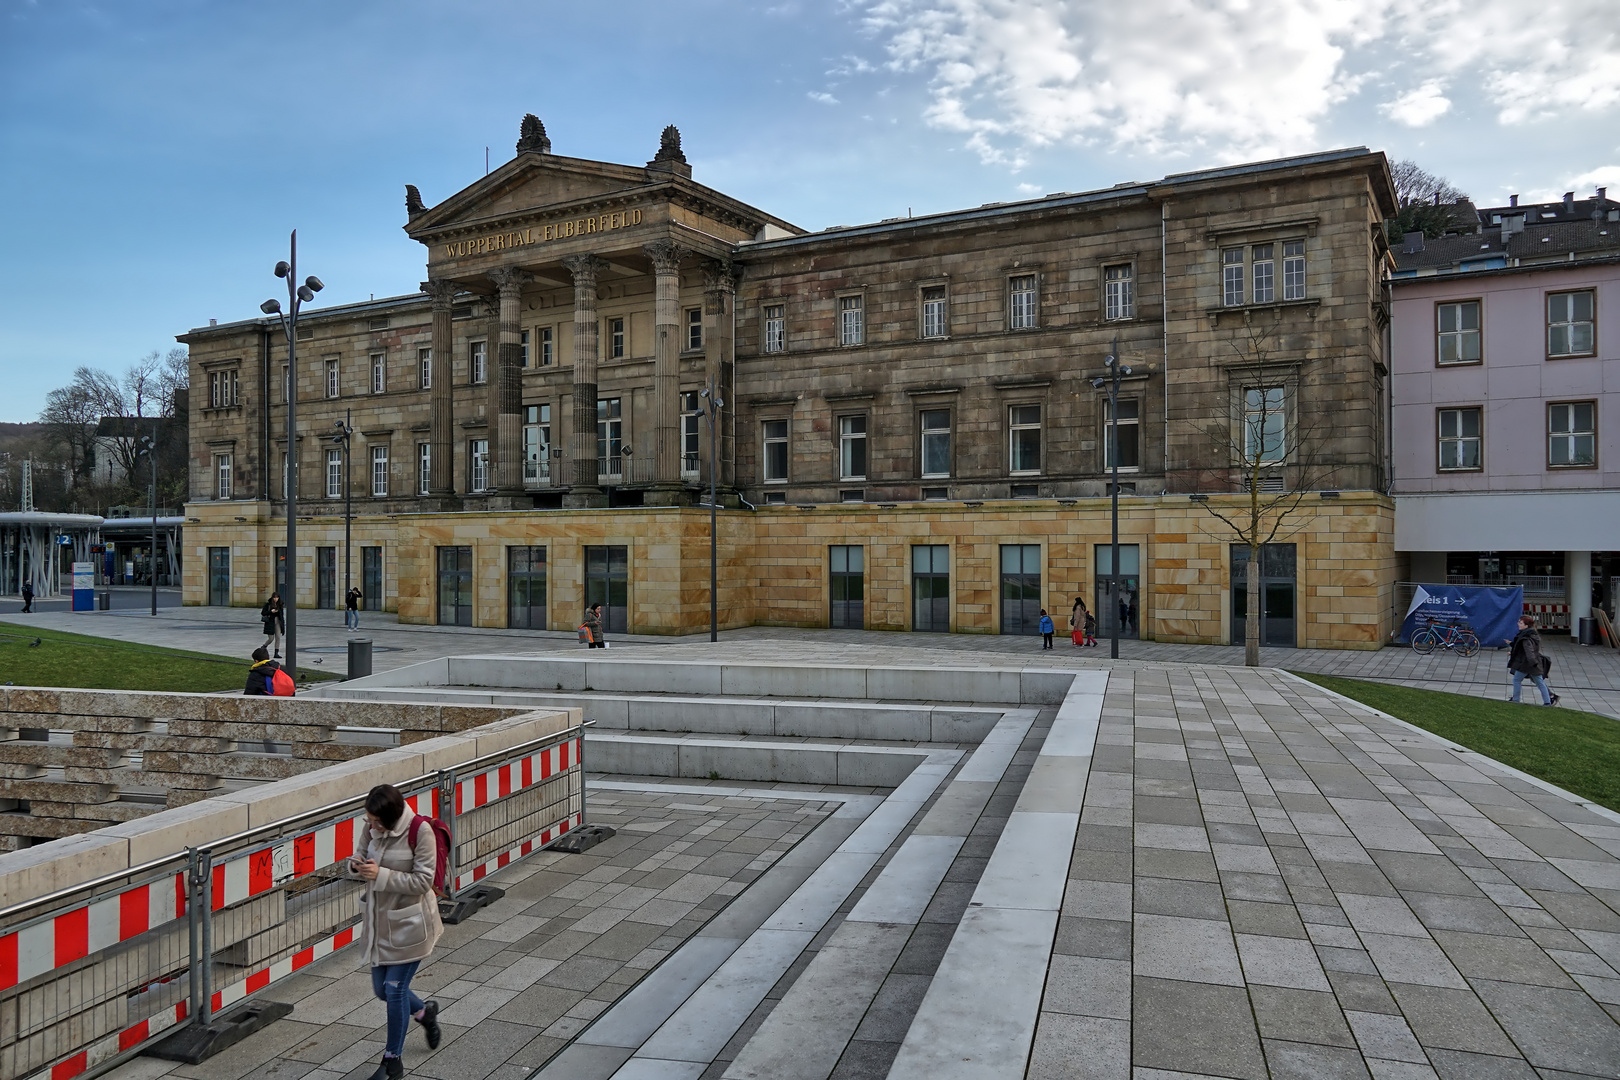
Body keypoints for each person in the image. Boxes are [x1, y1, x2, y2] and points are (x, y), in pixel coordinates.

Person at [352, 783, 443, 1080]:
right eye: (369, 821)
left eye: (376, 822)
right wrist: (357, 868)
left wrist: (381, 875)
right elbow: (358, 858)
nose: (371, 826)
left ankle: (392, 1061)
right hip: (379, 923)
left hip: (411, 925)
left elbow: (422, 882)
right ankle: (424, 1013)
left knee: (394, 989)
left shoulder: (420, 832)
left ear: (391, 817)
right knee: (382, 990)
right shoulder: (371, 827)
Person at [1507, 614, 1559, 706]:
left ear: (1526, 625)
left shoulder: (1525, 638)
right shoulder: (1532, 635)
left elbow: (1529, 652)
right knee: (1540, 683)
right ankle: (1547, 702)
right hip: (1533, 664)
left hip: (1527, 665)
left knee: (1517, 680)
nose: (1518, 624)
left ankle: (1516, 700)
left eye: (1520, 622)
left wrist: (1533, 663)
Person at [261, 593, 284, 658]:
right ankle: (264, 646)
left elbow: (281, 615)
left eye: (277, 597)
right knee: (271, 638)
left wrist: (282, 624)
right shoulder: (268, 604)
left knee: (278, 637)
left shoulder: (280, 604)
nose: (275, 599)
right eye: (274, 597)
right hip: (270, 622)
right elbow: (263, 613)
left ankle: (276, 653)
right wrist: (271, 611)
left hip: (278, 622)